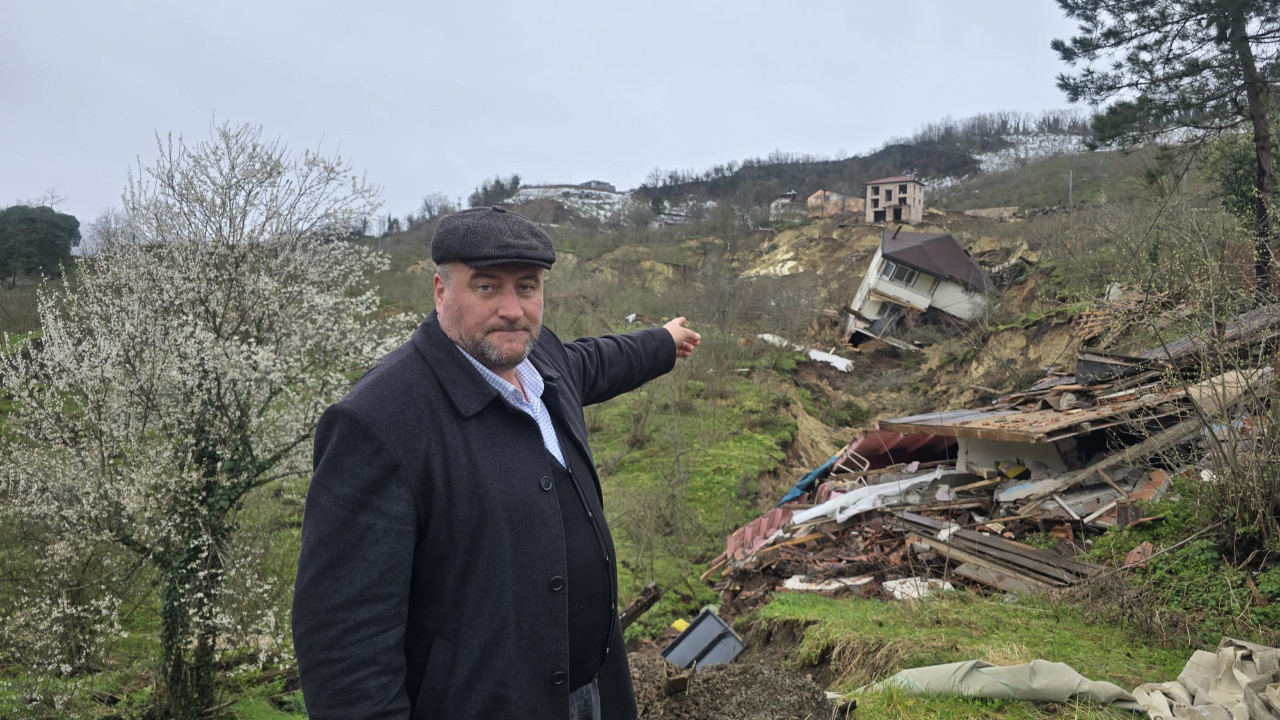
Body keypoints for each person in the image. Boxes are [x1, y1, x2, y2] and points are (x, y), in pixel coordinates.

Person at [292, 205, 700, 720]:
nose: (512, 309)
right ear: (441, 291)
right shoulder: (379, 421)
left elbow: (595, 362)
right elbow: (344, 645)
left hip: (594, 691)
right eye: (487, 287)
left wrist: (662, 342)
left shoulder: (540, 361)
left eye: (527, 287)